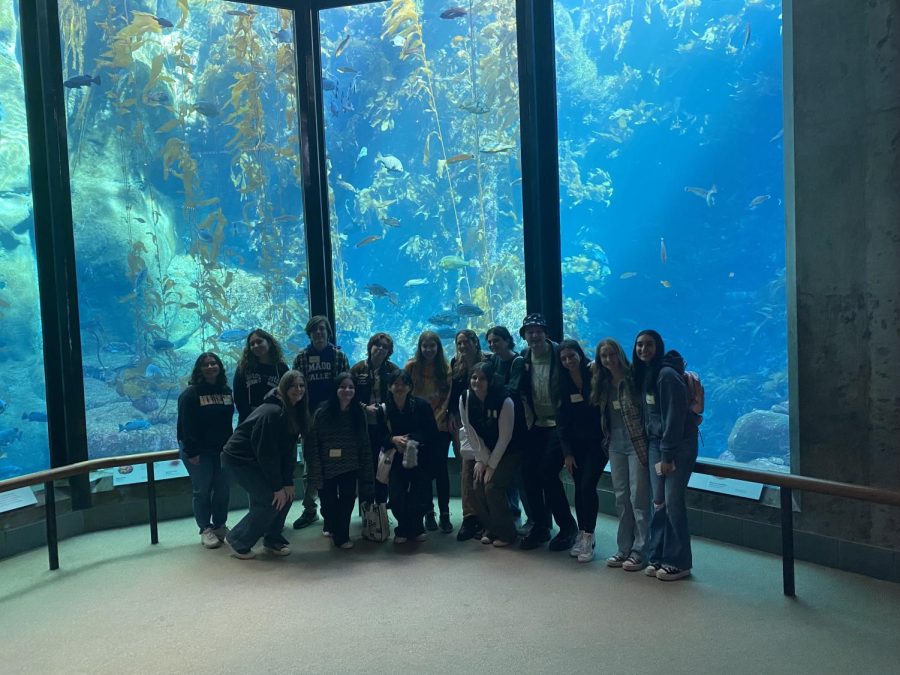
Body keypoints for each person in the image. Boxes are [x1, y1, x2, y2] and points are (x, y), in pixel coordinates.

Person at [633, 329, 699, 581]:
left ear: (658, 347)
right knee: (658, 501)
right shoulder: (648, 373)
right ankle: (658, 554)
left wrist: (668, 454)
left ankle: (679, 561)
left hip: (677, 445)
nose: (643, 350)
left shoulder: (666, 375)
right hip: (655, 443)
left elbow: (675, 417)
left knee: (673, 503)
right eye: (639, 345)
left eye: (648, 345)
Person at [222, 370, 309, 559]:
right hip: (239, 459)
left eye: (302, 385)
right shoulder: (273, 412)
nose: (299, 390)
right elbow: (266, 453)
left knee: (286, 496)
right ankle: (237, 539)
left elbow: (287, 452)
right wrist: (277, 486)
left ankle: (272, 539)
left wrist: (287, 482)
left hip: (258, 459)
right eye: (293, 386)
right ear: (283, 388)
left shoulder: (294, 411)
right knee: (270, 500)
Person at [516, 313, 578, 551]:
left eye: (537, 331)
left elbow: (578, 366)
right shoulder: (525, 357)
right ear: (524, 336)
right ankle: (541, 526)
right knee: (528, 472)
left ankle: (567, 527)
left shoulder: (559, 353)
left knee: (547, 473)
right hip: (537, 424)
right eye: (529, 332)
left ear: (545, 333)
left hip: (559, 425)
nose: (534, 335)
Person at [291, 315, 350, 530]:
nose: (319, 333)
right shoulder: (301, 358)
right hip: (309, 422)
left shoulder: (339, 356)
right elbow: (295, 392)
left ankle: (332, 511)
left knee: (335, 464)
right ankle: (309, 510)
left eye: (323, 330)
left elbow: (346, 387)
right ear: (309, 334)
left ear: (328, 332)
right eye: (315, 330)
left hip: (334, 420)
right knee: (310, 467)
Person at [304, 373, 374, 549]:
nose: (347, 390)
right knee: (328, 503)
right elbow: (313, 443)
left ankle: (342, 536)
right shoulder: (322, 412)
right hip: (326, 466)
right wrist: (315, 469)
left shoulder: (359, 413)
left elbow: (364, 443)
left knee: (347, 500)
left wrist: (367, 471)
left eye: (351, 387)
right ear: (335, 389)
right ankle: (330, 523)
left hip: (350, 465)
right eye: (342, 386)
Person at [459, 362, 522, 547]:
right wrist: (481, 460)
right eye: (474, 377)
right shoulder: (465, 398)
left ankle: (507, 533)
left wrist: (491, 465)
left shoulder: (504, 400)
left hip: (509, 451)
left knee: (491, 486)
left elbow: (505, 437)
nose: (477, 381)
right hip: (484, 450)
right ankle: (491, 528)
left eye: (482, 378)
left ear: (490, 380)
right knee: (477, 483)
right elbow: (469, 431)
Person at [177, 352, 235, 549]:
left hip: (222, 450)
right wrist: (192, 451)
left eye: (214, 363)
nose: (210, 367)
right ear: (199, 369)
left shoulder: (226, 391)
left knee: (222, 489)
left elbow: (228, 422)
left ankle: (220, 525)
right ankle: (205, 528)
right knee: (202, 490)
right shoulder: (191, 394)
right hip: (198, 451)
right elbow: (185, 425)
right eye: (206, 364)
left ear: (219, 366)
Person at [556, 340, 607, 562]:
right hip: (575, 446)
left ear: (580, 354)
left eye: (572, 356)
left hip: (598, 443)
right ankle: (583, 533)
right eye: (564, 358)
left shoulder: (594, 372)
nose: (568, 361)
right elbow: (562, 420)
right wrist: (567, 452)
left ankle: (588, 533)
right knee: (579, 488)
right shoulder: (563, 381)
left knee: (587, 486)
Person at [375, 370, 437, 543]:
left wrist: (411, 439)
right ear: (389, 387)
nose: (399, 387)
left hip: (419, 457)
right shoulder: (383, 409)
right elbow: (378, 436)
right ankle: (402, 528)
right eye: (396, 383)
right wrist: (392, 439)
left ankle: (416, 528)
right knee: (395, 496)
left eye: (404, 383)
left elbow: (431, 432)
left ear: (410, 387)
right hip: (394, 459)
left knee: (419, 495)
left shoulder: (421, 406)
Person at [404, 330, 454, 533]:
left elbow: (447, 398)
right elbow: (404, 392)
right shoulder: (411, 367)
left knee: (441, 471)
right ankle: (429, 512)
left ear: (438, 347)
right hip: (419, 428)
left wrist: (437, 420)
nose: (428, 350)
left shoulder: (446, 369)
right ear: (420, 347)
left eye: (432, 346)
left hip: (440, 427)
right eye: (425, 346)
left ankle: (444, 514)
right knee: (423, 471)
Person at [485, 325, 527, 530]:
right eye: (490, 341)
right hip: (497, 423)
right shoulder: (492, 360)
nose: (493, 345)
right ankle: (510, 512)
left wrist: (493, 394)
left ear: (507, 340)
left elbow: (513, 389)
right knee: (504, 472)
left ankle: (524, 515)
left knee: (517, 472)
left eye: (497, 341)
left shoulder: (517, 361)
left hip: (516, 423)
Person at [351, 332, 400, 505]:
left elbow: (399, 396)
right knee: (366, 467)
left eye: (385, 347)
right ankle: (366, 508)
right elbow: (348, 396)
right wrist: (364, 408)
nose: (380, 349)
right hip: (363, 426)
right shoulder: (358, 369)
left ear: (389, 351)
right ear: (370, 346)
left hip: (385, 426)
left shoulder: (393, 370)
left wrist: (384, 409)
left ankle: (380, 506)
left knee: (383, 467)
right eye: (377, 345)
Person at [448, 329, 487, 541]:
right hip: (463, 425)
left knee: (485, 469)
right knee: (466, 468)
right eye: (459, 343)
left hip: (487, 425)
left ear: (475, 342)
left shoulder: (488, 362)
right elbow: (453, 395)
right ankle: (469, 516)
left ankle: (487, 516)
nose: (462, 347)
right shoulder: (456, 365)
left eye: (466, 342)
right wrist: (451, 414)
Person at [233, 329, 289, 423]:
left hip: (274, 419)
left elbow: (287, 394)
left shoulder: (281, 368)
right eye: (252, 344)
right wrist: (250, 416)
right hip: (249, 419)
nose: (255, 346)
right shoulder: (244, 367)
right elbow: (238, 396)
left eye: (259, 342)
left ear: (269, 343)